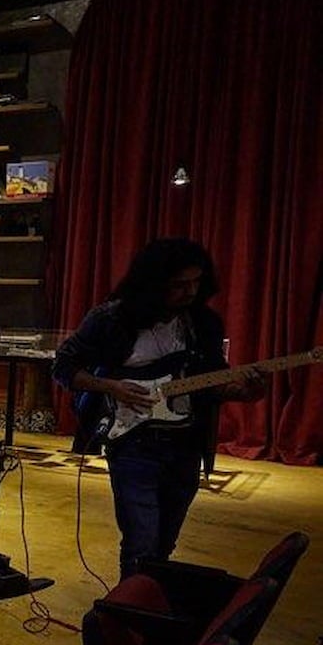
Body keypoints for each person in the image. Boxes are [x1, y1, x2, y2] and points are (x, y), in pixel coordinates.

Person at [53, 237, 265, 579]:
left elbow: (208, 384)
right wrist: (110, 386)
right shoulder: (112, 318)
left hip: (186, 444)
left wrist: (246, 392)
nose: (189, 292)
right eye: (179, 285)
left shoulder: (203, 324)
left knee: (164, 544)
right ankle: (127, 618)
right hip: (134, 444)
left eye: (196, 282)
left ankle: (150, 607)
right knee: (140, 543)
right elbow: (64, 366)